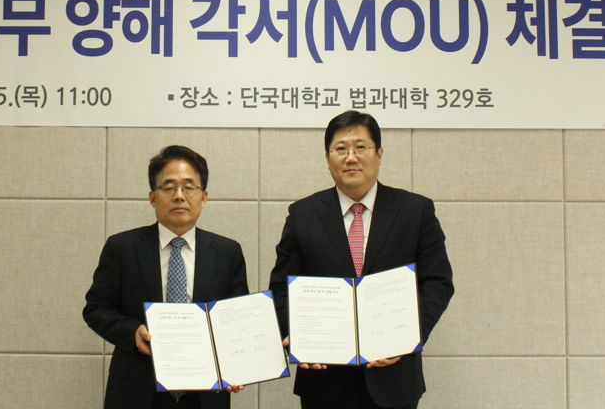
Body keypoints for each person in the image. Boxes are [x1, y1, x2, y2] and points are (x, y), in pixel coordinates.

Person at [268, 110, 454, 409]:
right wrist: (298, 335)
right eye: (340, 149)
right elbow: (281, 287)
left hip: (394, 377)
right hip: (324, 379)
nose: (351, 157)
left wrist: (409, 336)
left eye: (361, 147)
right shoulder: (303, 215)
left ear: (379, 154)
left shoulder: (415, 211)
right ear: (327, 157)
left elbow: (437, 283)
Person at [84, 145, 249, 409]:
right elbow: (96, 309)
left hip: (206, 394)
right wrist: (132, 332)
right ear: (153, 197)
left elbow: (238, 321)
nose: (179, 196)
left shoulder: (227, 252)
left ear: (203, 197)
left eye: (189, 187)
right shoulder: (123, 248)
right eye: (169, 187)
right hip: (137, 390)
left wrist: (238, 366)